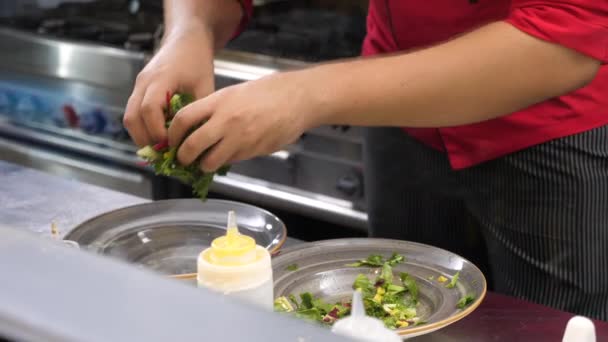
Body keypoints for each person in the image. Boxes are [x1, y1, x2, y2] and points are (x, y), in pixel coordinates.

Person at [123, 0, 608, 320]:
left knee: (552, 329)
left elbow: (563, 35)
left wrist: (306, 95)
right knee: (398, 318)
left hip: (554, 130)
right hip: (398, 110)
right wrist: (189, 30)